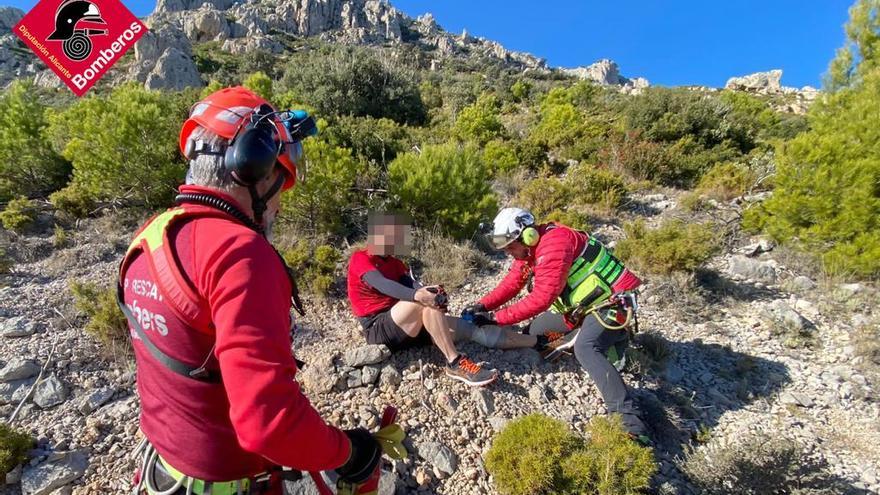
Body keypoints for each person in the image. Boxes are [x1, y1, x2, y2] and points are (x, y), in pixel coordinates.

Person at [118, 87, 389, 494]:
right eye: (281, 181)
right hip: (227, 477)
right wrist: (349, 452)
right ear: (253, 167)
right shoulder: (240, 253)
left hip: (163, 466)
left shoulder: (152, 235)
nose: (281, 201)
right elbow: (269, 423)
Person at [463, 207, 648, 438]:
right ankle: (574, 335)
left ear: (527, 236)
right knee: (535, 333)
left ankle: (629, 423)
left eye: (511, 247)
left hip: (611, 303)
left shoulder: (555, 245)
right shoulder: (529, 249)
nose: (509, 253)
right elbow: (513, 282)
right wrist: (484, 305)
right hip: (580, 307)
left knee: (587, 348)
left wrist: (495, 319)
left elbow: (541, 298)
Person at [346, 212, 536, 387]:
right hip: (379, 329)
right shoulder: (361, 258)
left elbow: (412, 285)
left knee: (472, 330)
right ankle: (454, 362)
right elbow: (382, 284)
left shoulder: (395, 263)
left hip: (409, 327)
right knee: (422, 302)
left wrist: (433, 294)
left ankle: (536, 342)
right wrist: (419, 296)